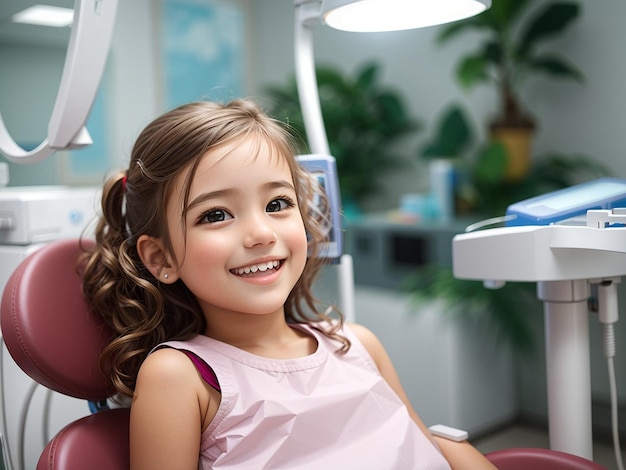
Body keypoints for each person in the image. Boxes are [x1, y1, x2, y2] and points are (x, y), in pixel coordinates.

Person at [81, 99, 496, 469]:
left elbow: (421, 444)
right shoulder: (181, 377)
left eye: (277, 204)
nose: (261, 233)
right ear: (161, 258)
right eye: (215, 215)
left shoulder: (356, 345)